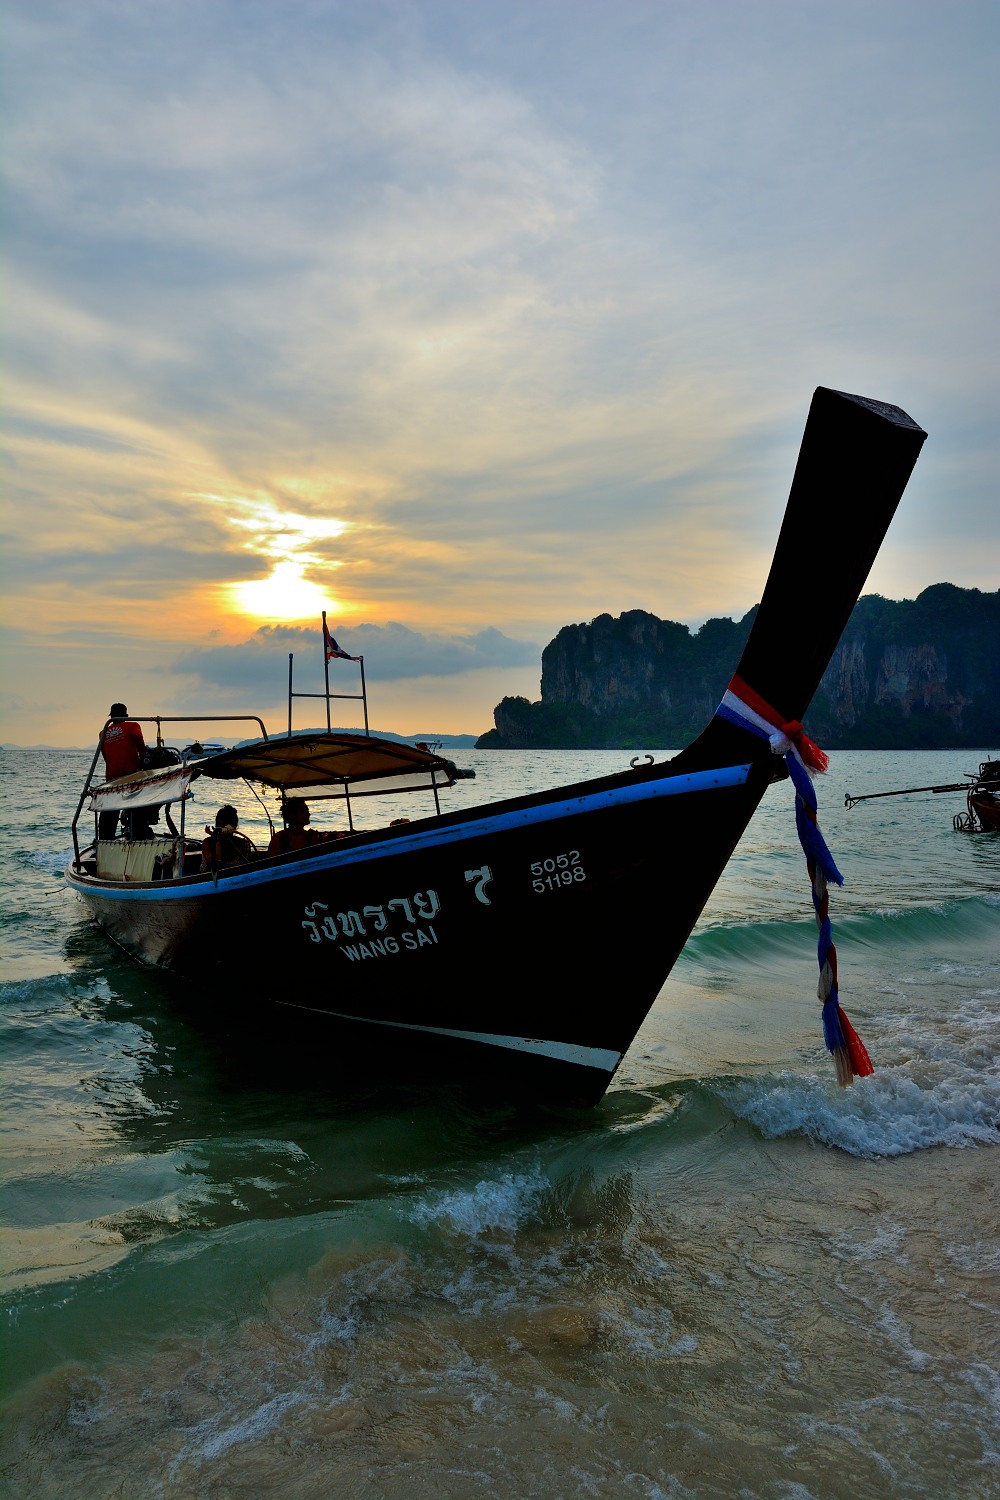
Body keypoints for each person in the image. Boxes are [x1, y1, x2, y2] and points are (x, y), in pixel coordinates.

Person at [98, 703, 146, 839]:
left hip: (112, 776)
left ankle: (106, 837)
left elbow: (105, 756)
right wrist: (143, 757)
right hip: (131, 773)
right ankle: (139, 833)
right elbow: (138, 739)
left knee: (111, 808)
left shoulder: (103, 733)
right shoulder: (133, 726)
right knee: (136, 804)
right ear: (126, 715)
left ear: (111, 717)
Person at [267, 798, 334, 856]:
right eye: (304, 811)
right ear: (292, 815)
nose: (308, 814)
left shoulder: (312, 837)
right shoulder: (280, 838)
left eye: (307, 811)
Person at [200, 806, 256, 872]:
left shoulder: (243, 843)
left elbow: (248, 868)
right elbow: (215, 863)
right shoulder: (208, 842)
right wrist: (217, 838)